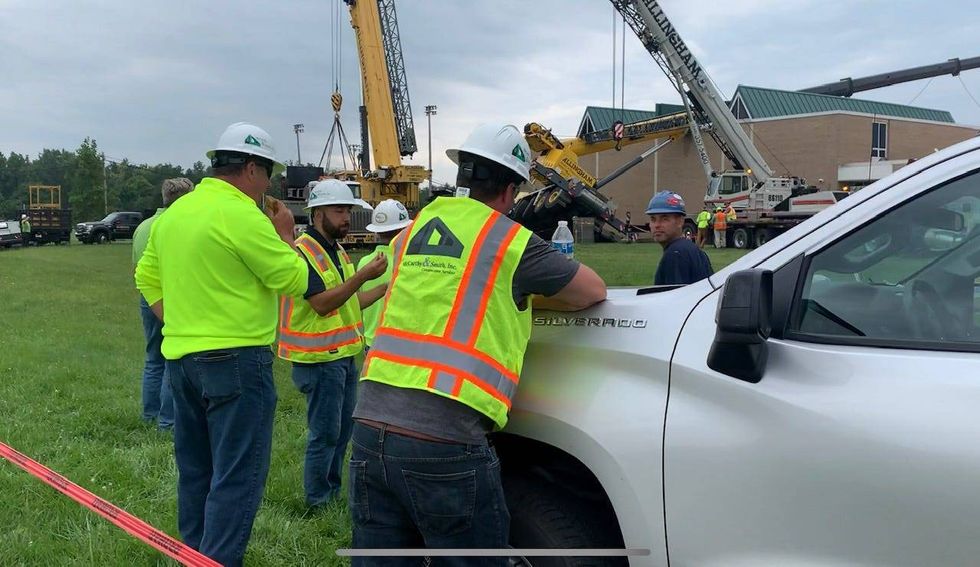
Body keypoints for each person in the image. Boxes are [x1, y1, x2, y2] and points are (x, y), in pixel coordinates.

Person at [348, 122, 607, 562]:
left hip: (369, 427)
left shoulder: (415, 231)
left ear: (462, 178)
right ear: (510, 191)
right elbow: (592, 291)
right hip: (443, 440)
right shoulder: (509, 242)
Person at [135, 122, 310, 567]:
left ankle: (193, 556)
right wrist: (287, 236)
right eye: (267, 172)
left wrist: (180, 322)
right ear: (251, 167)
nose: (268, 184)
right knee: (236, 477)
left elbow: (145, 277)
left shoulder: (174, 214)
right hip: (237, 361)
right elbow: (293, 279)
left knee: (196, 473)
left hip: (182, 361)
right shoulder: (242, 214)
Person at [277, 179, 388, 510]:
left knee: (341, 433)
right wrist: (362, 277)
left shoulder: (337, 251)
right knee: (325, 434)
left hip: (342, 356)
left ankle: (332, 492)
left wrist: (383, 290)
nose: (346, 218)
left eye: (348, 210)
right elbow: (323, 304)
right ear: (316, 214)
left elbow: (349, 302)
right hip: (318, 359)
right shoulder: (304, 252)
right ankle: (318, 500)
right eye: (339, 210)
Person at [132, 177, 194, 430]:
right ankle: (168, 422)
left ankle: (150, 415)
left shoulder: (144, 226)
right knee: (172, 359)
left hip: (147, 298)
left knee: (153, 358)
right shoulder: (181, 225)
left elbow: (136, 268)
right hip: (173, 298)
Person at [357, 199, 413, 350]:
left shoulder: (364, 263)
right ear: (404, 230)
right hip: (399, 341)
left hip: (371, 341)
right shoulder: (407, 262)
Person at [646, 190, 713, 286]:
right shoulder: (689, 248)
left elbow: (675, 298)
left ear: (680, 221)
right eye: (653, 219)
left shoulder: (676, 253)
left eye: (664, 219)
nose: (657, 225)